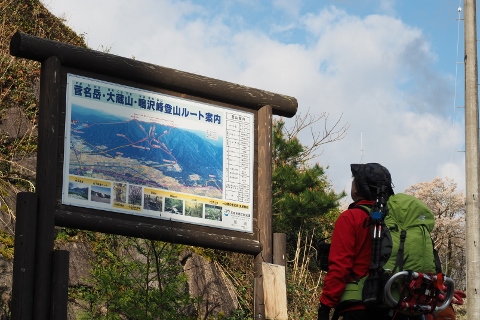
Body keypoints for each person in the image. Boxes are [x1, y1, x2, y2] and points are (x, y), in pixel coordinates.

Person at [318, 163, 400, 320]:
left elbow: (340, 267)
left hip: (358, 306)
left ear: (357, 188)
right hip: (394, 305)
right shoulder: (396, 220)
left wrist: (325, 305)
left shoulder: (350, 218)